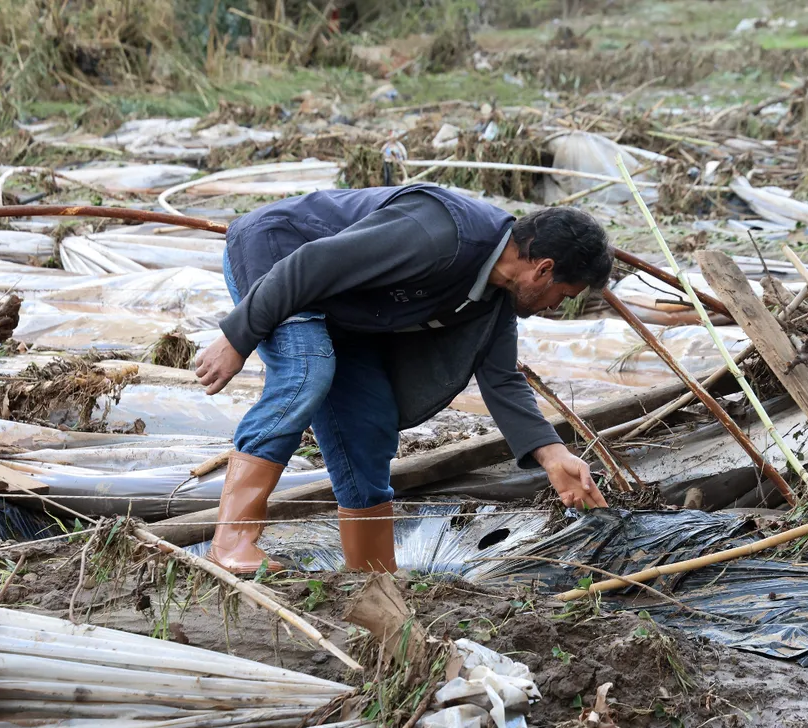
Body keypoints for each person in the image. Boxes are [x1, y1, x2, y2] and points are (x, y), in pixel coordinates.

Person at [195, 185, 614, 575]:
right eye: (564, 295)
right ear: (543, 269)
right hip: (279, 258)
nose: (555, 307)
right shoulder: (440, 234)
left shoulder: (495, 298)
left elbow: (502, 380)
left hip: (344, 308)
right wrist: (237, 337)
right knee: (307, 370)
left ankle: (371, 572)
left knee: (370, 420)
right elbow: (311, 264)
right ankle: (231, 542)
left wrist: (553, 456)